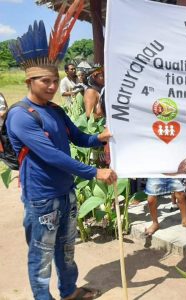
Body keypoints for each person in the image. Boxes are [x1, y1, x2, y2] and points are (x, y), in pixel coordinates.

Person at [7, 8, 117, 300]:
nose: (54, 87)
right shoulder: (20, 115)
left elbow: (78, 137)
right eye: (46, 82)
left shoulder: (55, 110)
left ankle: (69, 292)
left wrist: (99, 137)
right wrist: (95, 172)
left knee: (67, 250)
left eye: (55, 81)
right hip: (41, 197)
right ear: (30, 81)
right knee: (41, 256)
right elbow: (51, 155)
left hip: (65, 191)